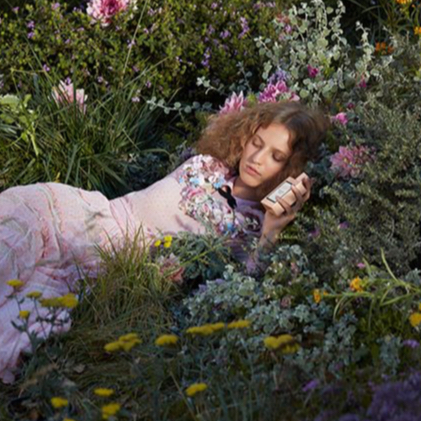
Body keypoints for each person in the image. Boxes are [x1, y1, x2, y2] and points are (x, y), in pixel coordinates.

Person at [0, 100, 328, 383]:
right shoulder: (207, 165)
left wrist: (271, 230)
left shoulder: (251, 228)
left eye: (276, 156)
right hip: (87, 215)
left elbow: (237, 292)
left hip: (106, 265)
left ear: (291, 171)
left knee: (22, 311)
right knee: (17, 221)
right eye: (256, 142)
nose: (257, 158)